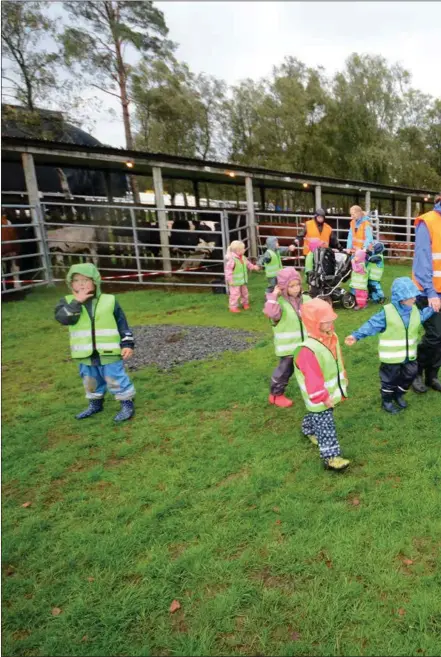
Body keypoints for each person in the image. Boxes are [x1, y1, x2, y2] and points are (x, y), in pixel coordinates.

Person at [55, 263, 135, 422]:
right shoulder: (67, 302)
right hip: (84, 353)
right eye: (76, 280)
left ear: (95, 282)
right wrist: (76, 302)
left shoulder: (110, 300)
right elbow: (63, 319)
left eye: (86, 279)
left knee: (115, 378)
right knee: (90, 381)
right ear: (70, 284)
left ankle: (126, 404)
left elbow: (122, 324)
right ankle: (95, 404)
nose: (81, 283)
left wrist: (127, 344)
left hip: (109, 352)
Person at [345, 278, 434, 414]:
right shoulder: (387, 313)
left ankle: (398, 394)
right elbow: (371, 325)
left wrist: (433, 308)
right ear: (401, 298)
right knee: (389, 381)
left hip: (409, 356)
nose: (414, 299)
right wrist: (356, 335)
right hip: (391, 358)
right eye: (411, 297)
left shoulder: (414, 310)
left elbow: (421, 317)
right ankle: (386, 401)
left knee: (410, 375)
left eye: (414, 296)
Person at [293, 298, 350, 471]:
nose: (331, 322)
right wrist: (323, 397)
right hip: (319, 396)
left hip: (327, 393)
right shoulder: (308, 350)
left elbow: (336, 361)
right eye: (326, 321)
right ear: (313, 322)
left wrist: (342, 379)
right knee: (326, 424)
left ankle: (308, 428)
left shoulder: (330, 337)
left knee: (318, 415)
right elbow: (313, 379)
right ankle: (331, 457)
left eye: (331, 319)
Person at [264, 268, 310, 407]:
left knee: (309, 369)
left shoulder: (306, 299)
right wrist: (273, 296)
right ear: (282, 287)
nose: (296, 289)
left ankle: (313, 391)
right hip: (288, 348)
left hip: (306, 344)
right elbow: (271, 313)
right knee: (284, 372)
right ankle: (276, 395)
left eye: (297, 285)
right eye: (291, 286)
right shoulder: (279, 304)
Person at [411, 193, 441, 393]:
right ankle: (416, 372)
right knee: (435, 334)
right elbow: (422, 262)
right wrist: (431, 293)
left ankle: (432, 375)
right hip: (427, 291)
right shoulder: (427, 222)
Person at [224, 240, 260, 313]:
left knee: (245, 293)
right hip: (234, 282)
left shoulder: (243, 257)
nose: (244, 249)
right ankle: (233, 307)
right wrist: (230, 280)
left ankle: (245, 303)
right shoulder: (232, 260)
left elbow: (248, 264)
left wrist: (254, 267)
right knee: (235, 294)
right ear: (238, 250)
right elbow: (228, 271)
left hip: (242, 281)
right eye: (243, 249)